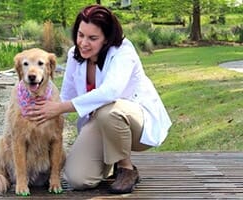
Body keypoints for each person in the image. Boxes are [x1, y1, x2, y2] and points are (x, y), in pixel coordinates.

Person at [27, 4, 172, 194]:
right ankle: (109, 163)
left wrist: (60, 108)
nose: (83, 43)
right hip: (101, 122)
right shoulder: (74, 55)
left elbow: (110, 92)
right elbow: (66, 95)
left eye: (92, 38)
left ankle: (126, 169)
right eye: (80, 35)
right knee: (78, 178)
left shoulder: (123, 52)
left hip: (135, 124)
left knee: (108, 110)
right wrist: (41, 111)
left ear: (106, 39)